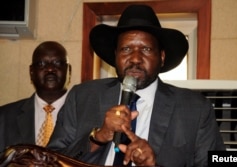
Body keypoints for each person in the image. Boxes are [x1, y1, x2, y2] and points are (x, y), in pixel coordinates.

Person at [48, 5, 225, 167]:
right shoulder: (83, 96)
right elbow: (49, 160)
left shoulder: (196, 108)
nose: (135, 58)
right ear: (115, 55)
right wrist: (98, 138)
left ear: (162, 57)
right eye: (126, 49)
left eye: (146, 49)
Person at [0, 41, 71, 153]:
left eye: (57, 63)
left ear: (68, 71)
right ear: (31, 72)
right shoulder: (4, 117)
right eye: (41, 64)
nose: (50, 69)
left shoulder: (84, 116)